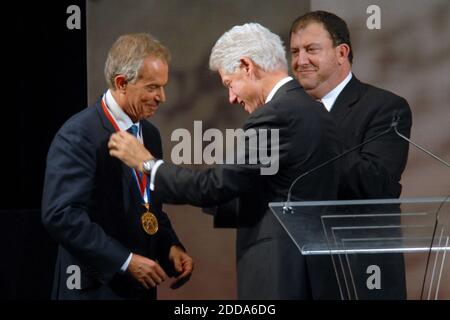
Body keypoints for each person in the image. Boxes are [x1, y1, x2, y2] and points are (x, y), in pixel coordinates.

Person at [108, 23, 340, 299]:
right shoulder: (313, 109)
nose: (231, 98)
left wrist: (148, 165)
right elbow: (275, 189)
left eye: (229, 84)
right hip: (312, 269)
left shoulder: (277, 114)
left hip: (281, 270)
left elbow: (215, 185)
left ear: (246, 66)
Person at [41, 33, 193, 300]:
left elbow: (148, 206)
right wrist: (124, 261)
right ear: (122, 83)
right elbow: (61, 215)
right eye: (152, 87)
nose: (162, 97)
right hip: (94, 291)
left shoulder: (151, 134)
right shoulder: (78, 133)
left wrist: (169, 245)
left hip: (139, 290)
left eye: (163, 87)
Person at [289, 11, 412, 299]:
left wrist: (312, 130)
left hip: (362, 274)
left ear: (341, 52)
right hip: (299, 273)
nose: (300, 60)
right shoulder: (290, 113)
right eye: (295, 51)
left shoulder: (386, 108)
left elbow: (375, 182)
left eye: (311, 50)